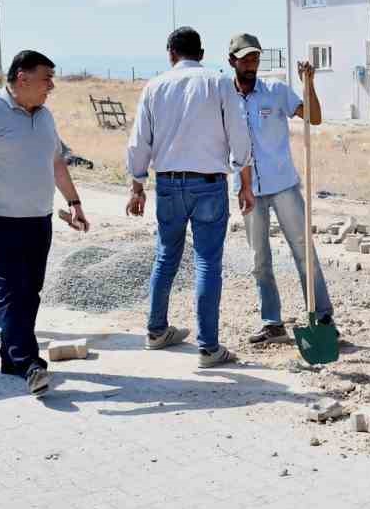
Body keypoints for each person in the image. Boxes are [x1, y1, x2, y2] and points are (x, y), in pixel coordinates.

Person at [0, 49, 88, 396]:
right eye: (46, 79)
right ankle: (28, 362)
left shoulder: (45, 117)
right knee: (11, 291)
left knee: (31, 291)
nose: (51, 86)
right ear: (22, 77)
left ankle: (11, 357)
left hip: (38, 218)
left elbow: (56, 163)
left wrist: (75, 202)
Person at [124, 27, 253, 367]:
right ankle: (208, 348)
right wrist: (243, 177)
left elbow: (139, 141)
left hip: (167, 183)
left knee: (166, 256)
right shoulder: (218, 82)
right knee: (207, 262)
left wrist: (137, 184)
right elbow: (238, 133)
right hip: (209, 183)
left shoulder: (155, 86)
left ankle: (156, 331)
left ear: (170, 54)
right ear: (202, 52)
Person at [227, 33, 334, 345]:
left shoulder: (275, 91)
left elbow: (314, 117)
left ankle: (324, 318)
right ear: (231, 60)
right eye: (245, 59)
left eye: (255, 58)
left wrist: (309, 83)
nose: (251, 64)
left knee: (304, 253)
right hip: (247, 188)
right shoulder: (225, 98)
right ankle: (272, 323)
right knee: (259, 259)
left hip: (283, 185)